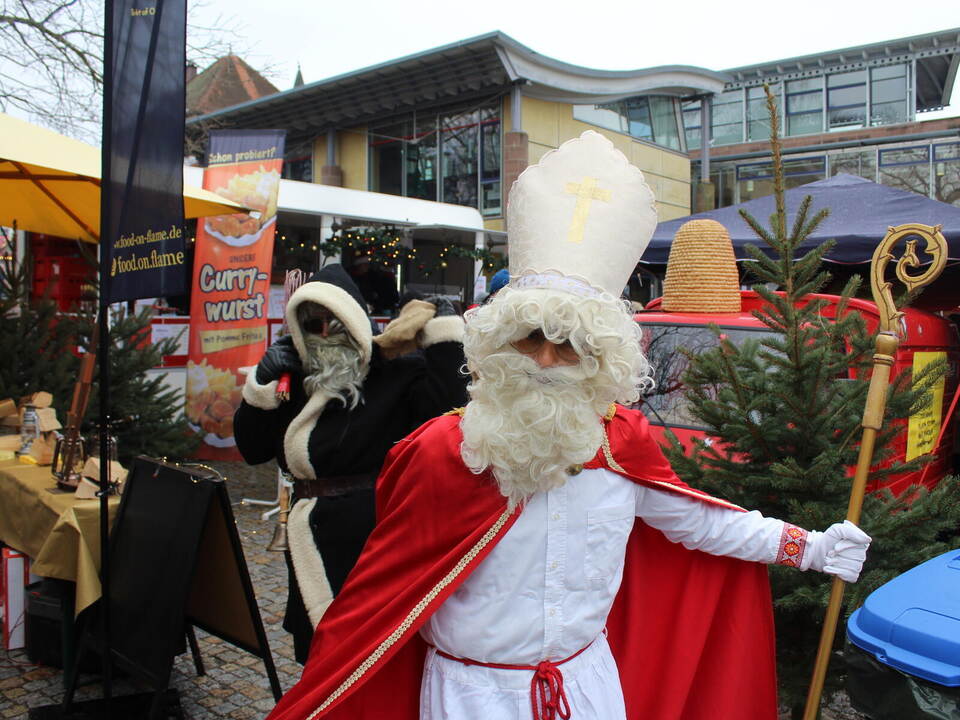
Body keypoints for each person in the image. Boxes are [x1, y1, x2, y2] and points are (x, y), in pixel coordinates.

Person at [264, 132, 871, 720]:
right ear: (499, 344)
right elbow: (383, 593)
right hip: (471, 696)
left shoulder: (621, 442)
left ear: (601, 359)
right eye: (531, 338)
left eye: (571, 344)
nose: (547, 360)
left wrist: (810, 547)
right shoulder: (443, 450)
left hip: (586, 688)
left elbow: (700, 523)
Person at [233, 262, 468, 664]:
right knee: (315, 652)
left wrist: (444, 335)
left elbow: (452, 405)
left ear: (356, 322)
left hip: (371, 536)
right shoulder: (297, 380)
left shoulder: (394, 374)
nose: (324, 334)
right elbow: (252, 450)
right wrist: (261, 387)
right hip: (309, 537)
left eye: (335, 323)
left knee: (367, 653)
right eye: (313, 324)